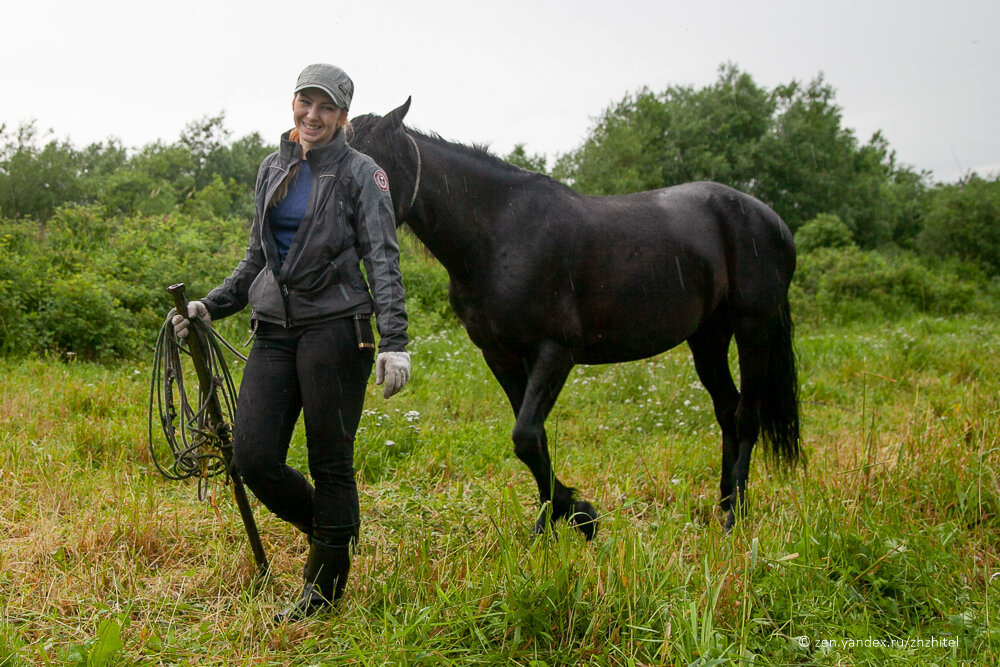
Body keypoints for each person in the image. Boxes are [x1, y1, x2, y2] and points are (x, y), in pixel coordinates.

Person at [172, 63, 410, 620]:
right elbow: (258, 257)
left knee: (331, 461)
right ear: (293, 104)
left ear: (343, 116)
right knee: (253, 456)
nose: (313, 115)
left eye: (326, 107)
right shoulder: (272, 166)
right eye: (306, 102)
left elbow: (382, 255)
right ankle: (334, 531)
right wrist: (211, 304)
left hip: (337, 327)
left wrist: (395, 339)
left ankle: (322, 589)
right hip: (274, 328)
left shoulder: (362, 173)